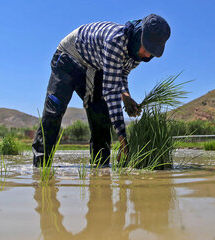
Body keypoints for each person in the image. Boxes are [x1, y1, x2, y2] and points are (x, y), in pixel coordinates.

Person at [32, 14, 171, 167]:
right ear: (139, 36)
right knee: (55, 110)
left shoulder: (138, 55)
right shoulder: (115, 42)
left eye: (153, 51)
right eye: (147, 48)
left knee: (101, 116)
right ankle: (40, 167)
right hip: (68, 59)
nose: (148, 54)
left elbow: (121, 74)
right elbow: (111, 92)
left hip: (94, 68)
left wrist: (126, 96)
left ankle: (101, 170)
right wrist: (123, 140)